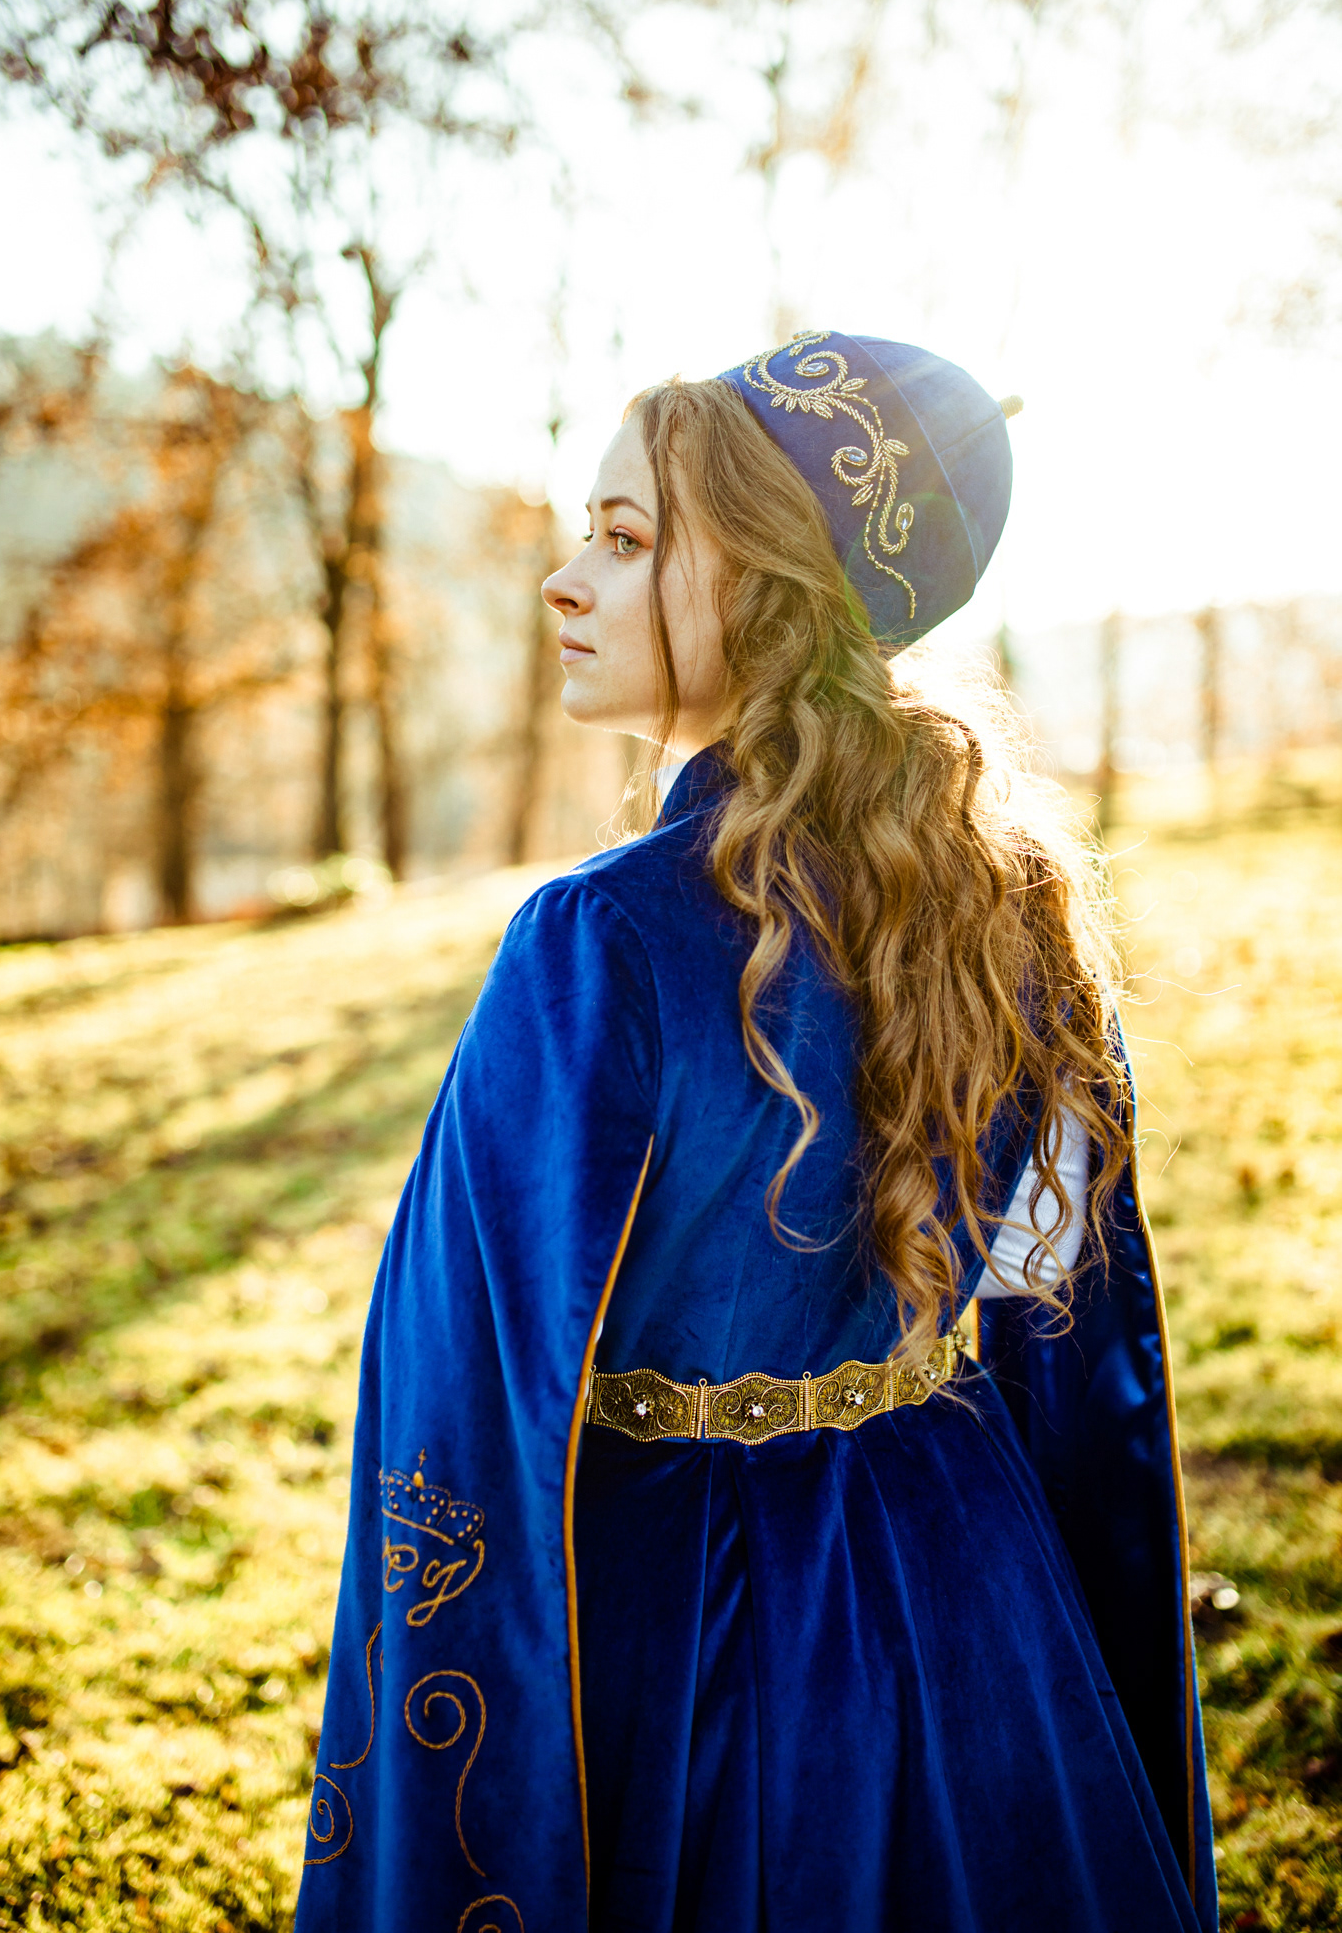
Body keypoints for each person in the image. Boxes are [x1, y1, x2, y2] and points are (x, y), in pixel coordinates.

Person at [295, 332, 1215, 1933]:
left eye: (625, 538)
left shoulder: (600, 940)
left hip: (680, 1633)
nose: (565, 580)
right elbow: (1066, 1323)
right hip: (965, 1581)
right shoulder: (1012, 906)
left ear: (768, 588)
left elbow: (462, 1390)